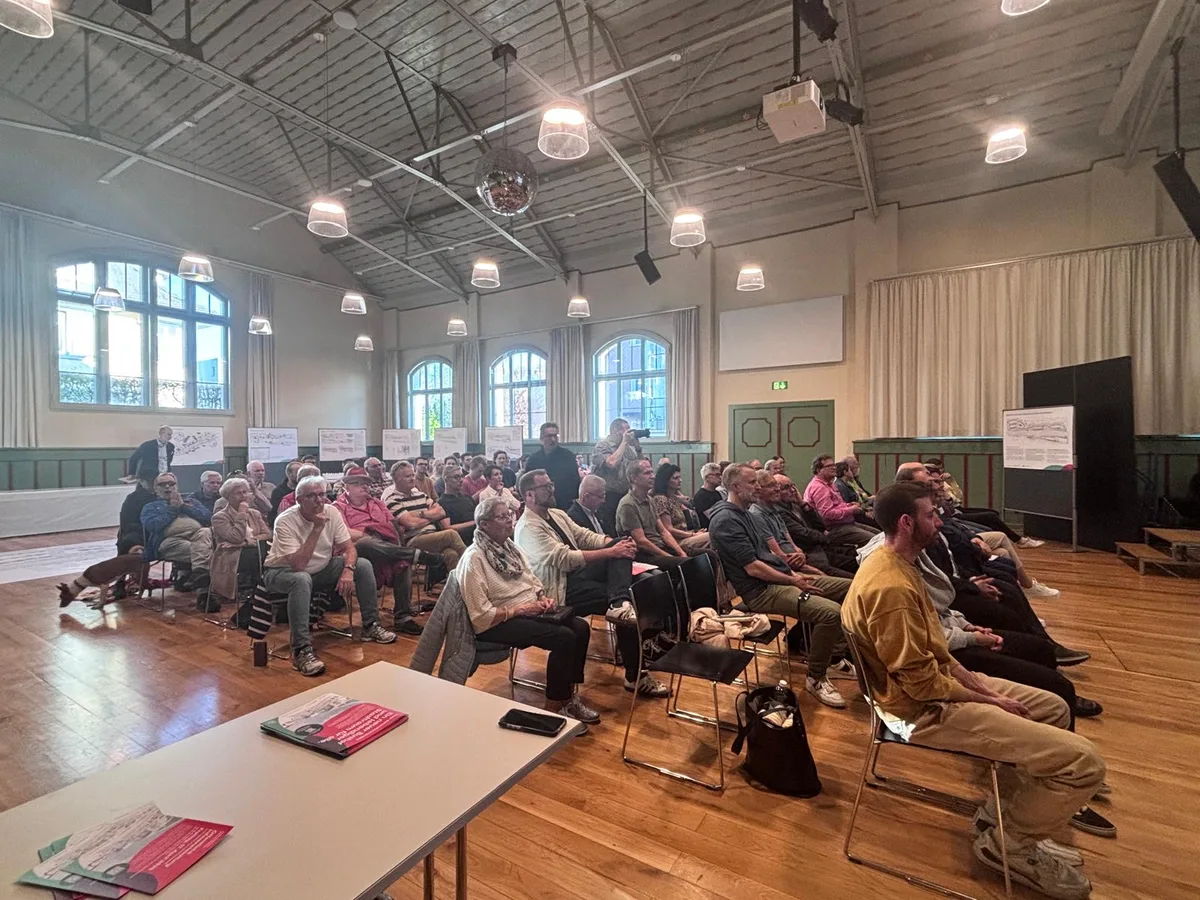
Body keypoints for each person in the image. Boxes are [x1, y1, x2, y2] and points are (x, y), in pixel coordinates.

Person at [841, 483, 1106, 898]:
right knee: (1084, 763)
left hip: (932, 688)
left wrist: (980, 685)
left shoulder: (903, 565)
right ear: (907, 522)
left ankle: (1004, 816)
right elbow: (921, 683)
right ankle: (1010, 845)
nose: (941, 520)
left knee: (1053, 706)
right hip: (915, 712)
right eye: (932, 514)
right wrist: (988, 699)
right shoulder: (889, 586)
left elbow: (937, 653)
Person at [515, 469, 668, 697]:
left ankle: (620, 605)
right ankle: (635, 673)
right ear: (529, 495)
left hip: (578, 576)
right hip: (558, 589)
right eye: (545, 487)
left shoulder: (556, 514)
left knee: (620, 548)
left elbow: (585, 536)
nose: (551, 489)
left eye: (551, 484)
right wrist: (612, 552)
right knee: (627, 587)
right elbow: (565, 559)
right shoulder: (528, 527)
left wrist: (613, 543)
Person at [707, 463, 849, 708]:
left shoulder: (745, 514)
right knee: (831, 613)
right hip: (761, 591)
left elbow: (769, 556)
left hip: (780, 577)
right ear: (735, 486)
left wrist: (796, 571)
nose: (758, 486)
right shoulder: (726, 520)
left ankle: (832, 656)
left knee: (850, 587)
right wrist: (793, 580)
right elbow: (753, 568)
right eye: (752, 482)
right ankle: (816, 677)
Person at [459, 497, 601, 726]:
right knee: (564, 638)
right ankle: (554, 707)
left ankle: (569, 695)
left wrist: (542, 598)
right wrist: (522, 609)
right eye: (502, 517)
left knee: (580, 627)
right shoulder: (474, 558)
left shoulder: (510, 547)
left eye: (509, 515)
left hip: (526, 610)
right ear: (484, 524)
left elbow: (531, 579)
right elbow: (479, 616)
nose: (509, 521)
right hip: (496, 622)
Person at [263, 475, 396, 675]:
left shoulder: (331, 511)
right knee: (301, 579)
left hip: (320, 568)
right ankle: (301, 649)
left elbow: (349, 548)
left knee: (363, 565)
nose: (319, 500)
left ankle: (371, 624)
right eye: (312, 496)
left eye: (322, 495)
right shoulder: (285, 520)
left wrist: (348, 571)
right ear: (299, 500)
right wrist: (317, 528)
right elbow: (299, 564)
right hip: (282, 572)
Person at [895, 464, 1060, 598]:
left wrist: (948, 484)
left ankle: (1023, 591)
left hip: (959, 524)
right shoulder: (917, 509)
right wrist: (975, 547)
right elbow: (948, 533)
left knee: (1000, 546)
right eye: (928, 478)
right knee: (998, 539)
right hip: (959, 553)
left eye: (935, 477)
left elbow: (956, 501)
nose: (934, 481)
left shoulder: (936, 494)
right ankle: (1025, 586)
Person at [334, 467, 426, 635]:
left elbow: (393, 527)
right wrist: (370, 533)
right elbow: (344, 532)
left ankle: (402, 618)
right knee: (367, 542)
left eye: (366, 484)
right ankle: (414, 555)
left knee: (402, 563)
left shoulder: (377, 503)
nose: (364, 487)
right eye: (358, 484)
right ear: (346, 487)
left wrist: (385, 538)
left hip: (385, 549)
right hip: (355, 552)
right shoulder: (338, 507)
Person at [749, 470, 852, 602]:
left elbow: (793, 539)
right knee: (850, 586)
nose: (777, 489)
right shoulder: (758, 514)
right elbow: (780, 555)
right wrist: (813, 569)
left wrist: (798, 551)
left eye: (778, 486)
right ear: (758, 490)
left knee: (854, 567)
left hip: (806, 556)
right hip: (795, 565)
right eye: (771, 486)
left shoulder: (776, 509)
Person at [140, 472, 213, 600]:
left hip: (198, 538)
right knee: (206, 552)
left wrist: (183, 506)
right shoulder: (150, 507)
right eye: (162, 484)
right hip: (170, 542)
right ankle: (203, 587)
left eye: (171, 484)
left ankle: (200, 585)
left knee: (205, 533)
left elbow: (208, 517)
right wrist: (172, 509)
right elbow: (153, 526)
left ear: (177, 486)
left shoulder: (190, 501)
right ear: (156, 488)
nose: (167, 487)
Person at [383, 461, 468, 571]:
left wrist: (419, 514)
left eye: (413, 475)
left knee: (451, 554)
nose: (413, 478)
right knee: (451, 534)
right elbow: (412, 524)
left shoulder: (420, 494)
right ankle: (475, 568)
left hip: (433, 536)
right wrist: (432, 517)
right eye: (407, 476)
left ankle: (456, 586)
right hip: (414, 540)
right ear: (396, 479)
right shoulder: (391, 500)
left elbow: (441, 512)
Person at [209, 477, 271, 611]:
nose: (243, 496)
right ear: (228, 497)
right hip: (230, 556)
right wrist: (242, 514)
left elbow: (267, 535)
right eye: (238, 493)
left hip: (250, 551)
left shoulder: (255, 513)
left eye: (245, 492)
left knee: (261, 553)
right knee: (258, 555)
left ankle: (262, 594)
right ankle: (260, 595)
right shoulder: (220, 517)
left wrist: (244, 543)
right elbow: (235, 537)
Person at [773, 475, 855, 578]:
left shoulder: (795, 505)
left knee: (859, 558)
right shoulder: (779, 512)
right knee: (852, 578)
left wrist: (802, 503)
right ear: (775, 491)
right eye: (786, 487)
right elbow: (803, 534)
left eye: (793, 485)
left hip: (822, 547)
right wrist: (824, 536)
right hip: (812, 554)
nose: (793, 490)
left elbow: (820, 524)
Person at [616, 459, 689, 570]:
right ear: (633, 478)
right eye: (647, 473)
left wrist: (680, 552)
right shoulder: (628, 504)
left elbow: (664, 531)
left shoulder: (649, 500)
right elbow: (641, 542)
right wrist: (668, 557)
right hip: (645, 555)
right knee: (688, 564)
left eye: (652, 472)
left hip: (661, 547)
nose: (653, 476)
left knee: (707, 555)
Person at [803, 454, 879, 544]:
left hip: (845, 523)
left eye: (833, 465)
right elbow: (827, 514)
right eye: (829, 466)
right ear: (819, 470)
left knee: (880, 536)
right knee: (876, 541)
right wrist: (851, 510)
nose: (834, 468)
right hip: (834, 528)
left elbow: (836, 505)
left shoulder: (829, 484)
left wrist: (848, 505)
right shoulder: (819, 488)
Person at [591, 418, 643, 535]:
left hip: (626, 495)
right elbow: (611, 463)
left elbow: (640, 467)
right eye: (626, 429)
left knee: (627, 530)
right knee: (611, 531)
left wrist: (638, 448)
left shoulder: (628, 448)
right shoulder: (602, 446)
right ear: (615, 430)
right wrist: (624, 442)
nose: (628, 433)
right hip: (607, 496)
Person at [651, 463, 709, 552]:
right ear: (665, 481)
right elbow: (668, 529)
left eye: (680, 477)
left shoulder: (673, 498)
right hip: (676, 541)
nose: (680, 480)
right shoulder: (660, 499)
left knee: (714, 535)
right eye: (675, 478)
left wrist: (695, 533)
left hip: (685, 535)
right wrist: (692, 535)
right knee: (712, 536)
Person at [527, 422, 581, 505]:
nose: (553, 439)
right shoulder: (533, 460)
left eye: (555, 436)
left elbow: (575, 481)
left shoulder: (568, 456)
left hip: (565, 504)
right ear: (541, 438)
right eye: (549, 436)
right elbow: (528, 485)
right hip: (541, 505)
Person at [436, 465, 479, 543]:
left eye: (462, 476)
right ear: (446, 480)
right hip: (462, 538)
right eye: (456, 477)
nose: (461, 480)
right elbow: (447, 528)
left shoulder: (467, 498)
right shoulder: (442, 503)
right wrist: (474, 523)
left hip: (478, 533)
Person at [692, 462, 724, 528]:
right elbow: (714, 518)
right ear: (707, 478)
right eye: (717, 475)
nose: (720, 477)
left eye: (720, 475)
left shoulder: (717, 493)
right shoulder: (701, 496)